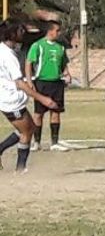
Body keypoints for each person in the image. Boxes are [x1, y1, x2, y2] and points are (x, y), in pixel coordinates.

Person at [0, 20, 58, 172]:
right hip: (11, 101)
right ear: (11, 34)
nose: (23, 33)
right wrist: (42, 98)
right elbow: (20, 83)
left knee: (28, 128)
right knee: (27, 131)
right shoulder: (8, 56)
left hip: (7, 98)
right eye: (20, 30)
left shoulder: (3, 50)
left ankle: (4, 152)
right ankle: (20, 168)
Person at [25, 20, 71, 152]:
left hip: (57, 83)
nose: (59, 33)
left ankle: (54, 142)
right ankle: (37, 142)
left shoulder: (60, 47)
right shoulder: (38, 45)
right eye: (57, 30)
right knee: (38, 113)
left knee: (56, 112)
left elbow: (63, 64)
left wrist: (67, 74)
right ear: (50, 31)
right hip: (41, 83)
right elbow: (28, 63)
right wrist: (29, 81)